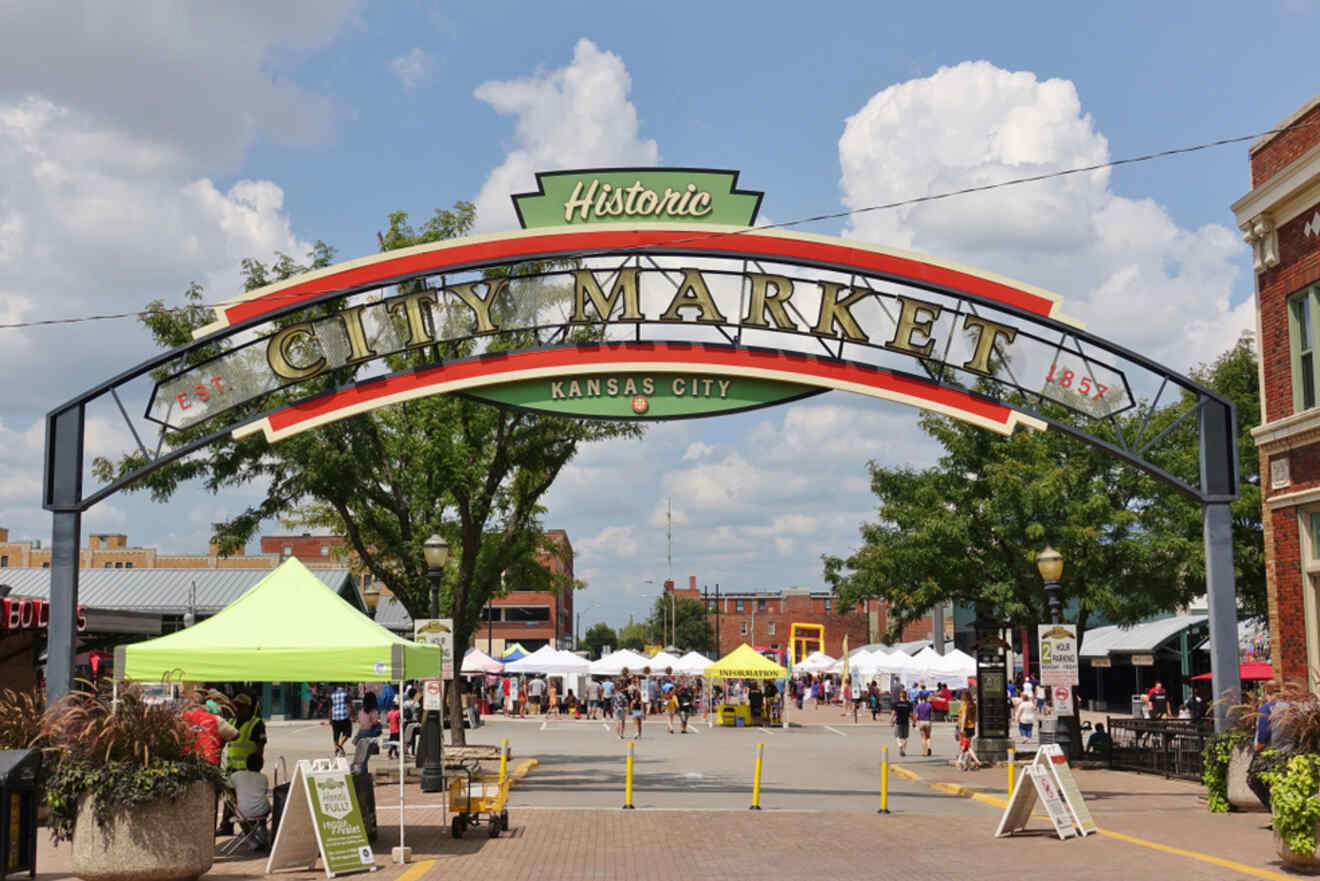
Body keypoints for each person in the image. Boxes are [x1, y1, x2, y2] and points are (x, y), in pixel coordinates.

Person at [1249, 684, 1291, 813]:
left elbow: (1263, 733)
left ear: (1266, 692)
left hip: (1271, 753)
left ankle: (1274, 811)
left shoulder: (1266, 708)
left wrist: (1258, 748)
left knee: (1253, 780)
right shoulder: (1291, 707)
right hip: (1290, 751)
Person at [227, 753, 271, 850]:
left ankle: (251, 840)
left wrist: (235, 796)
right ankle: (263, 836)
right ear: (261, 766)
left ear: (246, 764)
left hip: (243, 811)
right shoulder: (263, 777)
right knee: (262, 807)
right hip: (262, 811)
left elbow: (227, 787)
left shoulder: (236, 775)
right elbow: (263, 792)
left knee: (243, 816)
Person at [328, 684, 352, 757]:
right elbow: (349, 706)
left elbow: (330, 709)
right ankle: (340, 746)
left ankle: (336, 748)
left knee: (336, 734)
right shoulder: (346, 695)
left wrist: (330, 718)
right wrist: (352, 715)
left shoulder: (332, 695)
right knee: (347, 733)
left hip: (335, 717)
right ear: (344, 687)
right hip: (344, 717)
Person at [891, 689, 913, 756]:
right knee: (905, 737)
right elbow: (911, 714)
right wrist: (914, 721)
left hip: (898, 721)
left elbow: (893, 713)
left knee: (897, 736)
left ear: (900, 696)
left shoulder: (896, 703)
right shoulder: (909, 704)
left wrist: (891, 720)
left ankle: (900, 745)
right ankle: (903, 750)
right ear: (906, 696)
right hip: (906, 722)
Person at [913, 692, 934, 756]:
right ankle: (929, 748)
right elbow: (931, 714)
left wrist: (914, 723)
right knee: (928, 737)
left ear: (920, 699)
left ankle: (925, 752)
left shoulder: (918, 706)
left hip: (921, 722)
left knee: (923, 738)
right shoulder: (929, 705)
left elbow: (916, 715)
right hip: (928, 721)